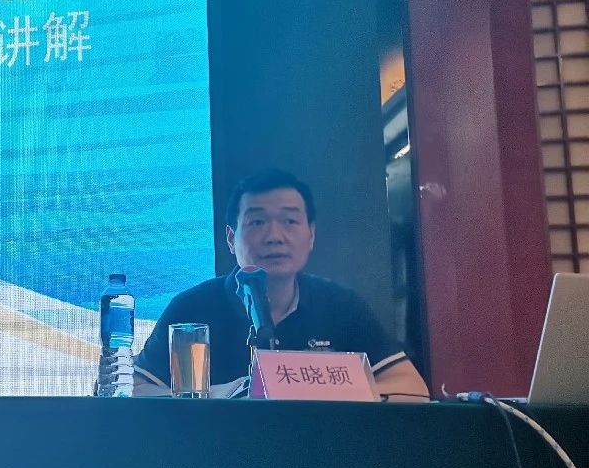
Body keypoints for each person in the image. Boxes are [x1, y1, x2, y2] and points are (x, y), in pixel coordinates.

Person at [134, 169, 429, 398]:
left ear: (311, 235)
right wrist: (221, 394)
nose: (275, 236)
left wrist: (320, 391)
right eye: (257, 222)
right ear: (230, 239)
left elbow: (412, 391)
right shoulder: (191, 308)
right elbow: (135, 389)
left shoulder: (341, 306)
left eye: (290, 222)